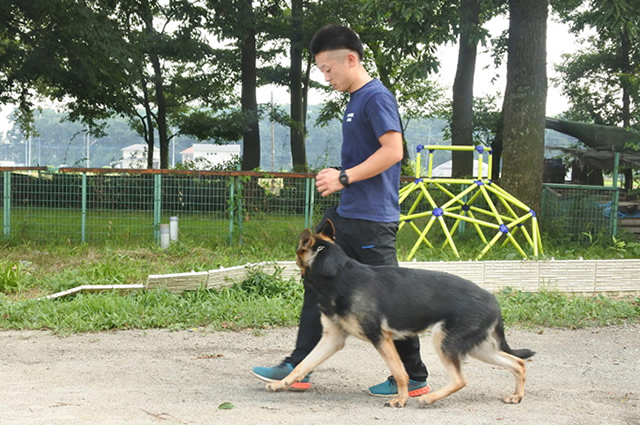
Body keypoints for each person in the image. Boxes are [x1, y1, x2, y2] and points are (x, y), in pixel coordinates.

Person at [252, 24, 429, 398]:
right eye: (320, 71)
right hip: (347, 213)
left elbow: (394, 152)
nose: (325, 77)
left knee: (388, 298)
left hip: (372, 219)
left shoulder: (376, 97)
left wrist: (344, 177)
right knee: (316, 280)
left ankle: (413, 375)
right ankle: (297, 366)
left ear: (350, 59)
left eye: (327, 70)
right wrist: (340, 179)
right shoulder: (355, 100)